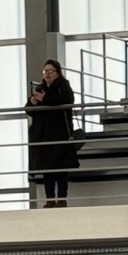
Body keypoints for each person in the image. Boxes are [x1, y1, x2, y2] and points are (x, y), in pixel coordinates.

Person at [26, 58, 78, 208]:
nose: (47, 74)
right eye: (45, 71)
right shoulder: (40, 88)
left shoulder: (63, 86)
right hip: (43, 134)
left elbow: (66, 101)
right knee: (47, 168)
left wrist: (45, 99)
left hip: (59, 132)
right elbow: (28, 110)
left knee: (61, 168)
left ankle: (61, 198)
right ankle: (49, 198)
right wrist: (33, 102)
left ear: (57, 72)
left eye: (50, 71)